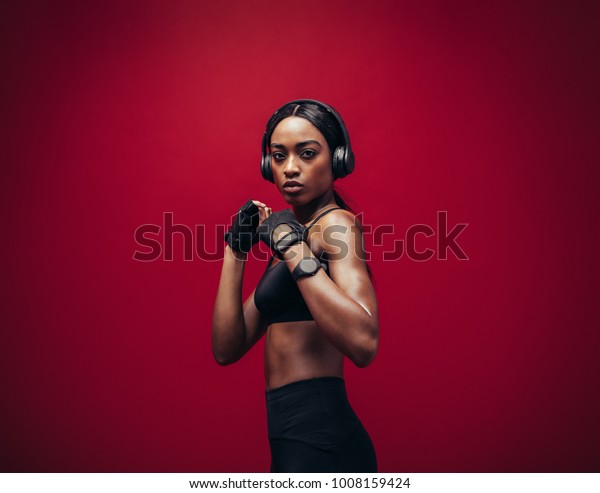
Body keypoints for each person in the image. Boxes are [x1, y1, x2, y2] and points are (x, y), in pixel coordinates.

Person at [212, 99, 379, 473]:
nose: (289, 169)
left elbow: (364, 343)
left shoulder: (337, 225)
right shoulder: (293, 238)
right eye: (278, 155)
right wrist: (235, 251)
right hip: (292, 433)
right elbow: (227, 347)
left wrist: (292, 248)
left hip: (321, 435)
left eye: (307, 154)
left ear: (337, 160)